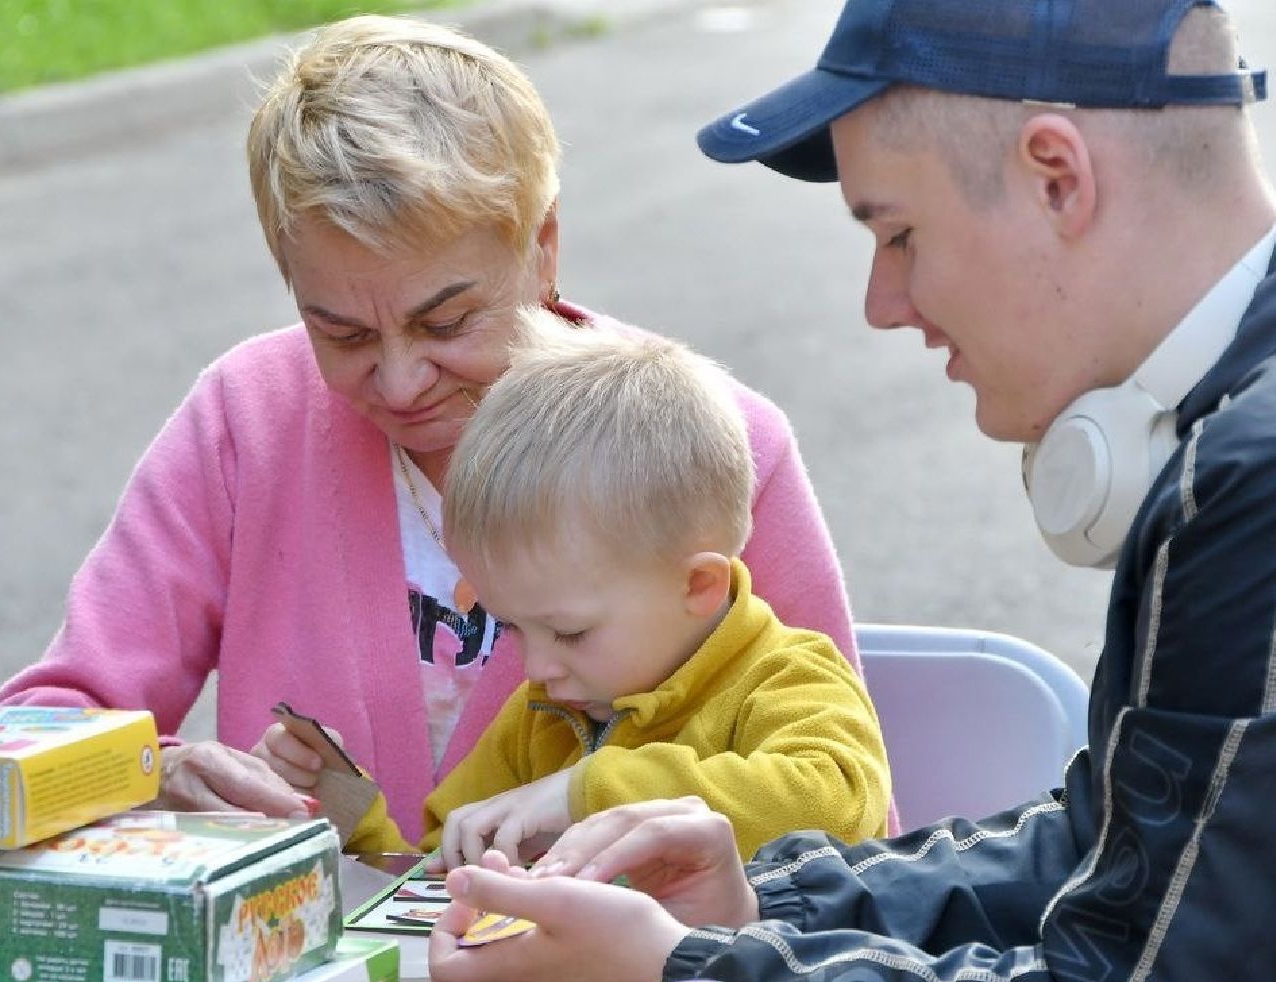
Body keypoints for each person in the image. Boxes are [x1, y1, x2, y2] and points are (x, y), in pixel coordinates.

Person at [429, 0, 1276, 982]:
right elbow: (1118, 845)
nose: (882, 303)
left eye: (897, 234)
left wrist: (692, 971)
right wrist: (771, 903)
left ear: (1057, 176)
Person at [0, 15, 870, 844]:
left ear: (543, 247)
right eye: (340, 333)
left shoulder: (718, 444)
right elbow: (44, 724)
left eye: (448, 322)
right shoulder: (248, 416)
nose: (402, 379)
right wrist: (161, 774)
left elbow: (844, 821)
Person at [332, 311, 890, 866]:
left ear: (698, 584)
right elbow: (448, 871)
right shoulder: (542, 714)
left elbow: (836, 803)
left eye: (569, 632)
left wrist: (587, 794)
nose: (536, 669)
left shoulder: (786, 677)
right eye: (513, 630)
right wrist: (358, 827)